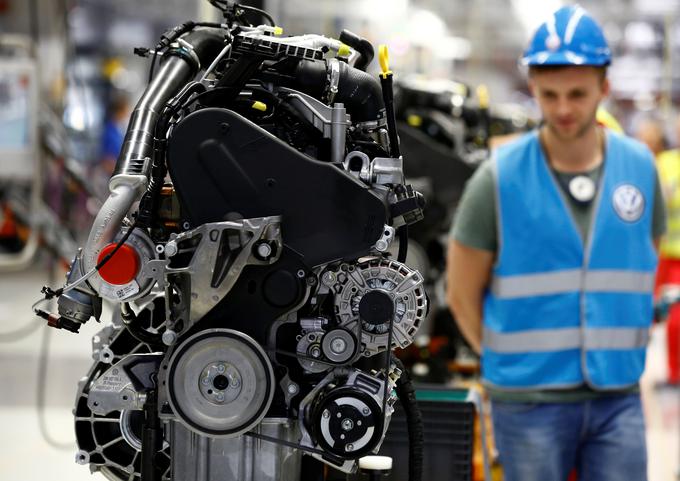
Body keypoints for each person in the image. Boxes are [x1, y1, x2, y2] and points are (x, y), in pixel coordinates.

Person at [446, 5, 666, 481]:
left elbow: (643, 260)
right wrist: (506, 358)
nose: (563, 109)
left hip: (617, 394)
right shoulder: (498, 178)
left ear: (604, 88)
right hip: (528, 401)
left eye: (577, 94)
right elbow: (462, 292)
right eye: (550, 95)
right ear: (534, 90)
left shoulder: (641, 169)